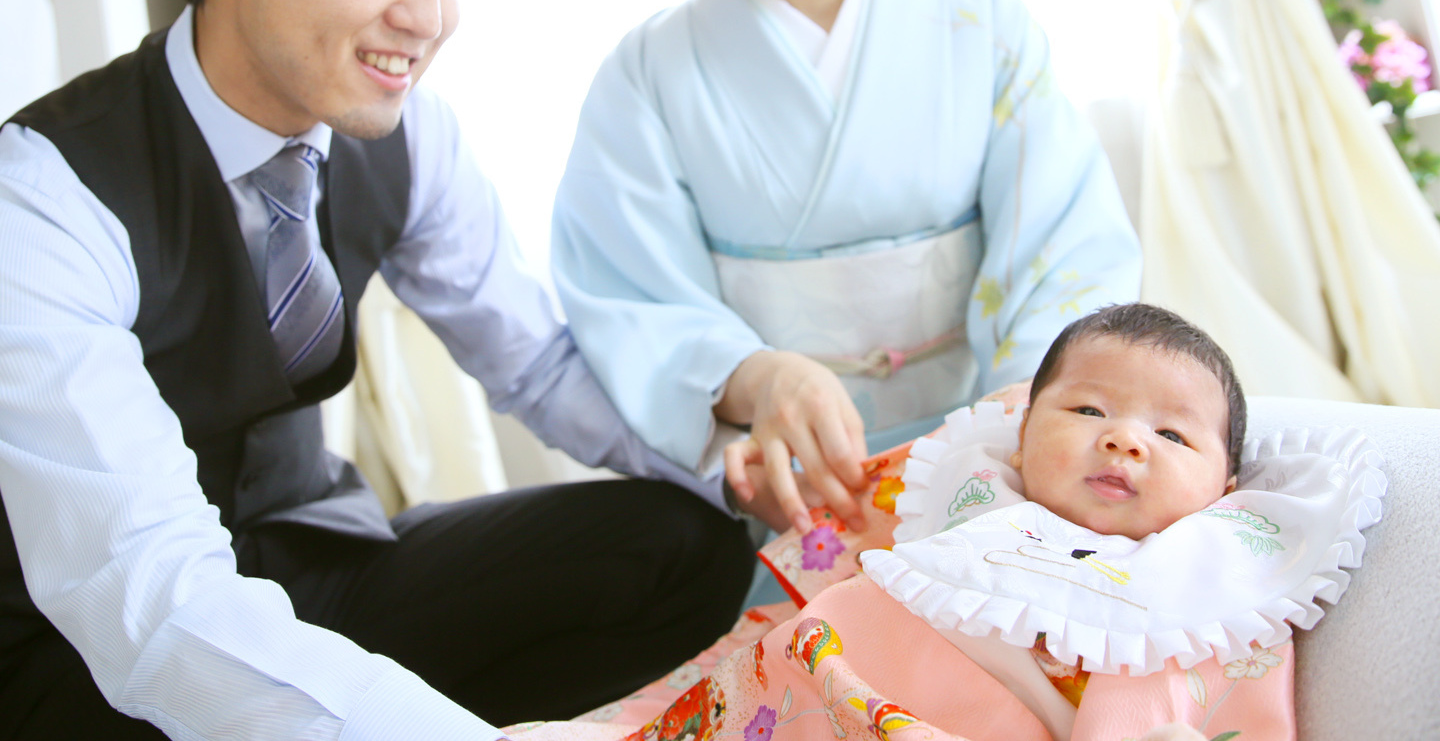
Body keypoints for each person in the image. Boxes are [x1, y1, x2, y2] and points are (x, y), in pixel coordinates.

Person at [0, 0, 757, 737]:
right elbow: (153, 599)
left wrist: (737, 462)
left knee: (684, 544)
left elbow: (535, 361)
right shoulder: (40, 200)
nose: (430, 16)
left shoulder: (410, 139)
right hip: (92, 647)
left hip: (314, 562)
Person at [549, 0, 1142, 540]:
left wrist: (1023, 419)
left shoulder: (983, 24)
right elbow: (628, 289)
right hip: (790, 477)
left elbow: (1065, 242)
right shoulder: (645, 76)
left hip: (997, 443)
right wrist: (754, 378)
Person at [514, 304, 1354, 741]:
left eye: (1171, 434)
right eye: (1088, 406)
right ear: (1022, 435)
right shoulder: (966, 485)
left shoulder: (1202, 583)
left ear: (1227, 483)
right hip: (813, 682)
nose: (1124, 437)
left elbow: (1193, 702)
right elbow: (833, 561)